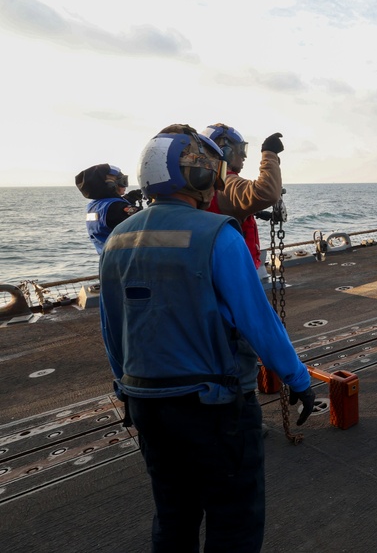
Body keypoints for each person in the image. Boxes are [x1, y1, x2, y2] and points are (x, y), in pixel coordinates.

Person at [99, 124, 316, 552]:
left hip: (147, 404)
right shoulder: (218, 235)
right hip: (214, 408)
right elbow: (259, 323)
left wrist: (125, 390)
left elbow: (112, 329)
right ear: (197, 175)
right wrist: (298, 378)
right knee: (234, 520)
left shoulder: (116, 240)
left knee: (173, 517)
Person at [201, 124, 284, 269]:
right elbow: (266, 192)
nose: (243, 156)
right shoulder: (226, 182)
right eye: (240, 149)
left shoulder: (203, 183)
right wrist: (269, 153)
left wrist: (255, 211)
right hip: (235, 270)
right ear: (224, 151)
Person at [75, 163, 143, 254]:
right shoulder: (116, 207)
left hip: (107, 258)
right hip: (125, 260)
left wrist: (129, 200)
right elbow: (146, 219)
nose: (125, 186)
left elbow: (112, 218)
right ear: (111, 185)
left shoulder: (92, 206)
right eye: (122, 182)